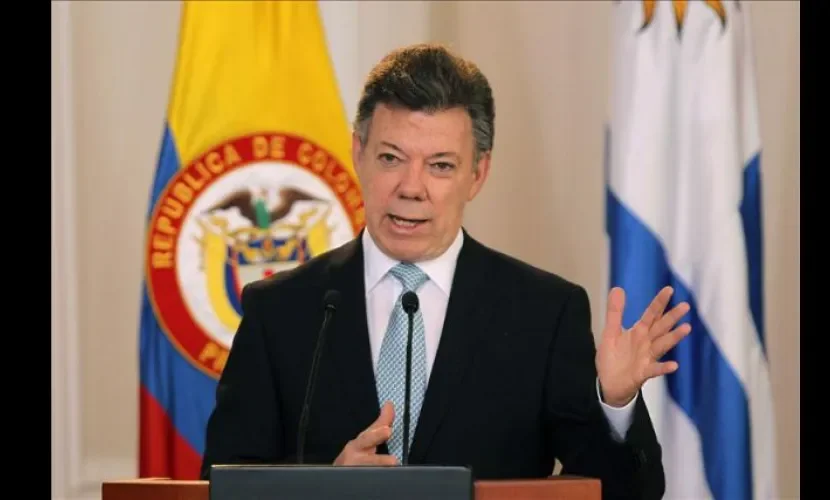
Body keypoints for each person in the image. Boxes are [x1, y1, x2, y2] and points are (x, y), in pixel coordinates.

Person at [200, 43, 690, 500]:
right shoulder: (280, 311)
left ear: (477, 174)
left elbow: (624, 493)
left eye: (440, 166)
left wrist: (615, 403)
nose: (411, 187)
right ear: (358, 153)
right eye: (391, 158)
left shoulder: (543, 313)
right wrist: (325, 487)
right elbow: (222, 482)